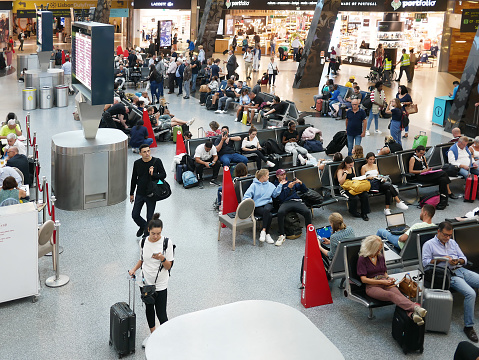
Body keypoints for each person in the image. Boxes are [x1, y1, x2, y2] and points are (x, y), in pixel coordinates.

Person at [422, 221, 479, 342]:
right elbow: (425, 263)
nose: (448, 238)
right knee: (471, 293)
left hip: (461, 270)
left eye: (449, 235)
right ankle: (468, 327)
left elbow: (464, 258)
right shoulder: (429, 245)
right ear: (438, 231)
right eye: (445, 235)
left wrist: (457, 261)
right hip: (448, 275)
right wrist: (442, 259)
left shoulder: (452, 242)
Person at [358, 235, 427, 325]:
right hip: (372, 286)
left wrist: (388, 278)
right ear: (371, 248)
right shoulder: (362, 259)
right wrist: (382, 281)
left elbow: (384, 272)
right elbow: (363, 279)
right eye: (378, 249)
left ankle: (412, 314)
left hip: (385, 282)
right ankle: (415, 308)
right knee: (391, 295)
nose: (379, 251)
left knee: (399, 295)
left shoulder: (380, 256)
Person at [128, 213, 174, 349]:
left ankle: (166, 336)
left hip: (160, 283)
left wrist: (162, 258)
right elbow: (142, 259)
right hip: (145, 282)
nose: (156, 236)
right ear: (148, 230)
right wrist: (134, 269)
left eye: (158, 233)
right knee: (149, 308)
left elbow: (169, 266)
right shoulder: (143, 242)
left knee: (161, 313)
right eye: (153, 233)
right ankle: (153, 335)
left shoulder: (166, 243)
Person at [130, 144, 167, 238]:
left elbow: (163, 175)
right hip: (140, 192)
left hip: (152, 193)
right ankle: (143, 226)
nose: (147, 153)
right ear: (140, 153)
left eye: (148, 151)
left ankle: (146, 236)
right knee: (135, 215)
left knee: (150, 217)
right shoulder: (137, 163)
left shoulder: (157, 161)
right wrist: (131, 193)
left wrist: (153, 174)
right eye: (144, 152)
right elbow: (134, 178)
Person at [273, 169, 313, 246]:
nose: (284, 176)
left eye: (284, 174)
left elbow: (305, 190)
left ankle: (310, 234)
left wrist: (301, 184)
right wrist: (288, 188)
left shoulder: (290, 182)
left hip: (296, 201)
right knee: (280, 212)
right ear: (277, 176)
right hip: (285, 203)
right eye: (281, 175)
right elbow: (281, 198)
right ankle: (282, 235)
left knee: (307, 212)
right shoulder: (277, 186)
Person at [409, 145, 456, 210]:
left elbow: (426, 166)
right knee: (443, 173)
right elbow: (410, 171)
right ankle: (448, 193)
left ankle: (443, 201)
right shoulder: (413, 159)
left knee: (443, 179)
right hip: (420, 176)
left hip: (426, 174)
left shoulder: (423, 157)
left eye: (423, 153)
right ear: (416, 151)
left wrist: (428, 170)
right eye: (420, 153)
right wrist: (421, 171)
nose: (421, 155)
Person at [243, 169, 282, 244]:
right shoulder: (254, 185)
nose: (268, 177)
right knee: (269, 215)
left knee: (267, 209)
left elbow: (274, 194)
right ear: (263, 177)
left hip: (268, 204)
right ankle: (267, 234)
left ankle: (263, 231)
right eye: (267, 175)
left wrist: (280, 186)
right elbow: (246, 196)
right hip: (257, 206)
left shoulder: (270, 185)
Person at [336, 156, 370, 221]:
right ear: (345, 163)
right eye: (349, 164)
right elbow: (340, 182)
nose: (351, 166)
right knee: (354, 197)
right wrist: (345, 174)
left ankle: (364, 213)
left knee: (365, 195)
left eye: (352, 164)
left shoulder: (352, 168)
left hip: (352, 186)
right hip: (344, 188)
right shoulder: (340, 170)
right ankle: (353, 211)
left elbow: (354, 178)